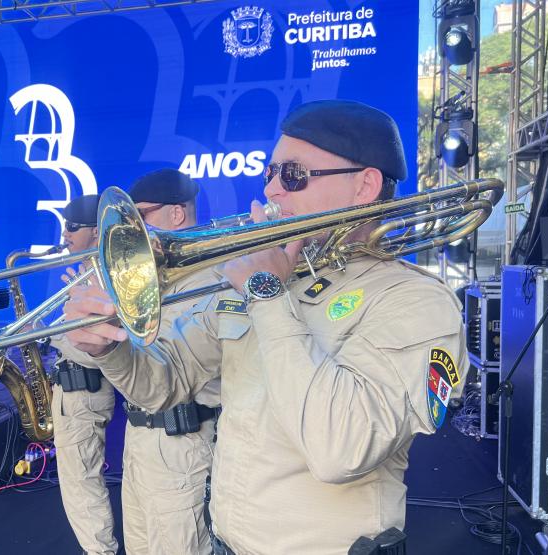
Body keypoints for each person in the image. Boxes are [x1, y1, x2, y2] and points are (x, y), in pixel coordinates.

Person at [61, 100, 468, 554]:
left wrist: (269, 296)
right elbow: (166, 383)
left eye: (292, 175)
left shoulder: (417, 302)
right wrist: (110, 348)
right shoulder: (257, 282)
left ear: (364, 185)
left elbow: (342, 449)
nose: (272, 191)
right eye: (270, 174)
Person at [118, 169, 220, 555]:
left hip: (184, 443)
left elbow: (173, 365)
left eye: (141, 217)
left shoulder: (213, 277)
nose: (133, 230)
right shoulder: (150, 278)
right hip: (139, 436)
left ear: (176, 215)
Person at [50, 194, 119, 555]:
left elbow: (104, 345)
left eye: (73, 227)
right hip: (76, 386)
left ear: (95, 231)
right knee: (80, 481)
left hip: (84, 386)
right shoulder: (85, 269)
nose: (65, 234)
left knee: (82, 483)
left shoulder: (99, 273)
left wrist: (53, 339)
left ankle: (100, 551)